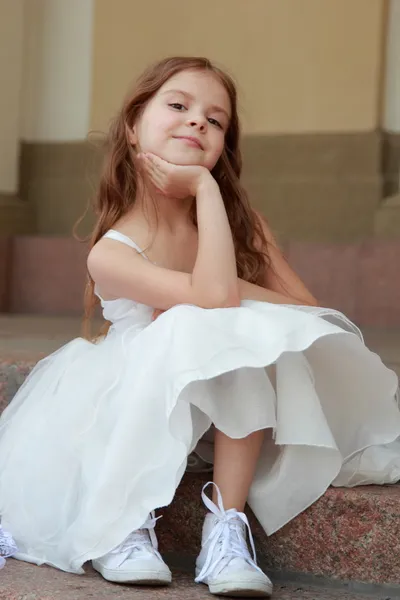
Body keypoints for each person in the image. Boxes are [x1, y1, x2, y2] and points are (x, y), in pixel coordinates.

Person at [0, 56, 399, 599]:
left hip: (228, 402)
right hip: (135, 398)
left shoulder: (239, 225)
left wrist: (209, 203)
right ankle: (122, 522)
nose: (197, 123)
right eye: (179, 106)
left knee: (225, 327)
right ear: (132, 124)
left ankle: (225, 527)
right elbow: (213, 297)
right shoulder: (111, 254)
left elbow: (306, 313)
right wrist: (215, 284)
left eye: (216, 120)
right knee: (201, 320)